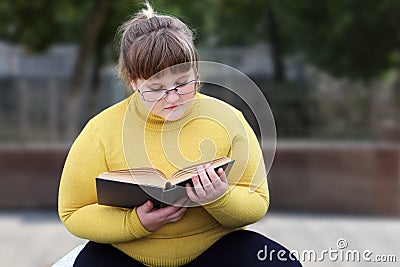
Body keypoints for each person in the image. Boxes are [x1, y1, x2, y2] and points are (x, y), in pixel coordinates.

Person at [58, 2, 302, 267]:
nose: (172, 97)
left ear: (196, 69)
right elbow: (73, 212)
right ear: (133, 82)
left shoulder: (229, 119)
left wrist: (219, 198)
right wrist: (136, 222)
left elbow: (258, 202)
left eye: (183, 82)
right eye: (156, 88)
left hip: (213, 247)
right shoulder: (101, 130)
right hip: (128, 252)